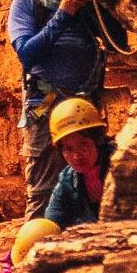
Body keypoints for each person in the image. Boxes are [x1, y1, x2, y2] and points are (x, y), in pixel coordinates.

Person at [7, 0, 127, 218]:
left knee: (93, 173)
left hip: (84, 100)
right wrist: (63, 14)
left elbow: (117, 40)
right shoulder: (26, 2)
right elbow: (27, 53)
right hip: (44, 102)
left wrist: (96, 3)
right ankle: (37, 246)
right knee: (43, 185)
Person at [43, 94, 110, 224]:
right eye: (68, 149)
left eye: (83, 144)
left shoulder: (122, 165)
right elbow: (51, 224)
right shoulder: (67, 181)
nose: (77, 156)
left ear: (97, 140)